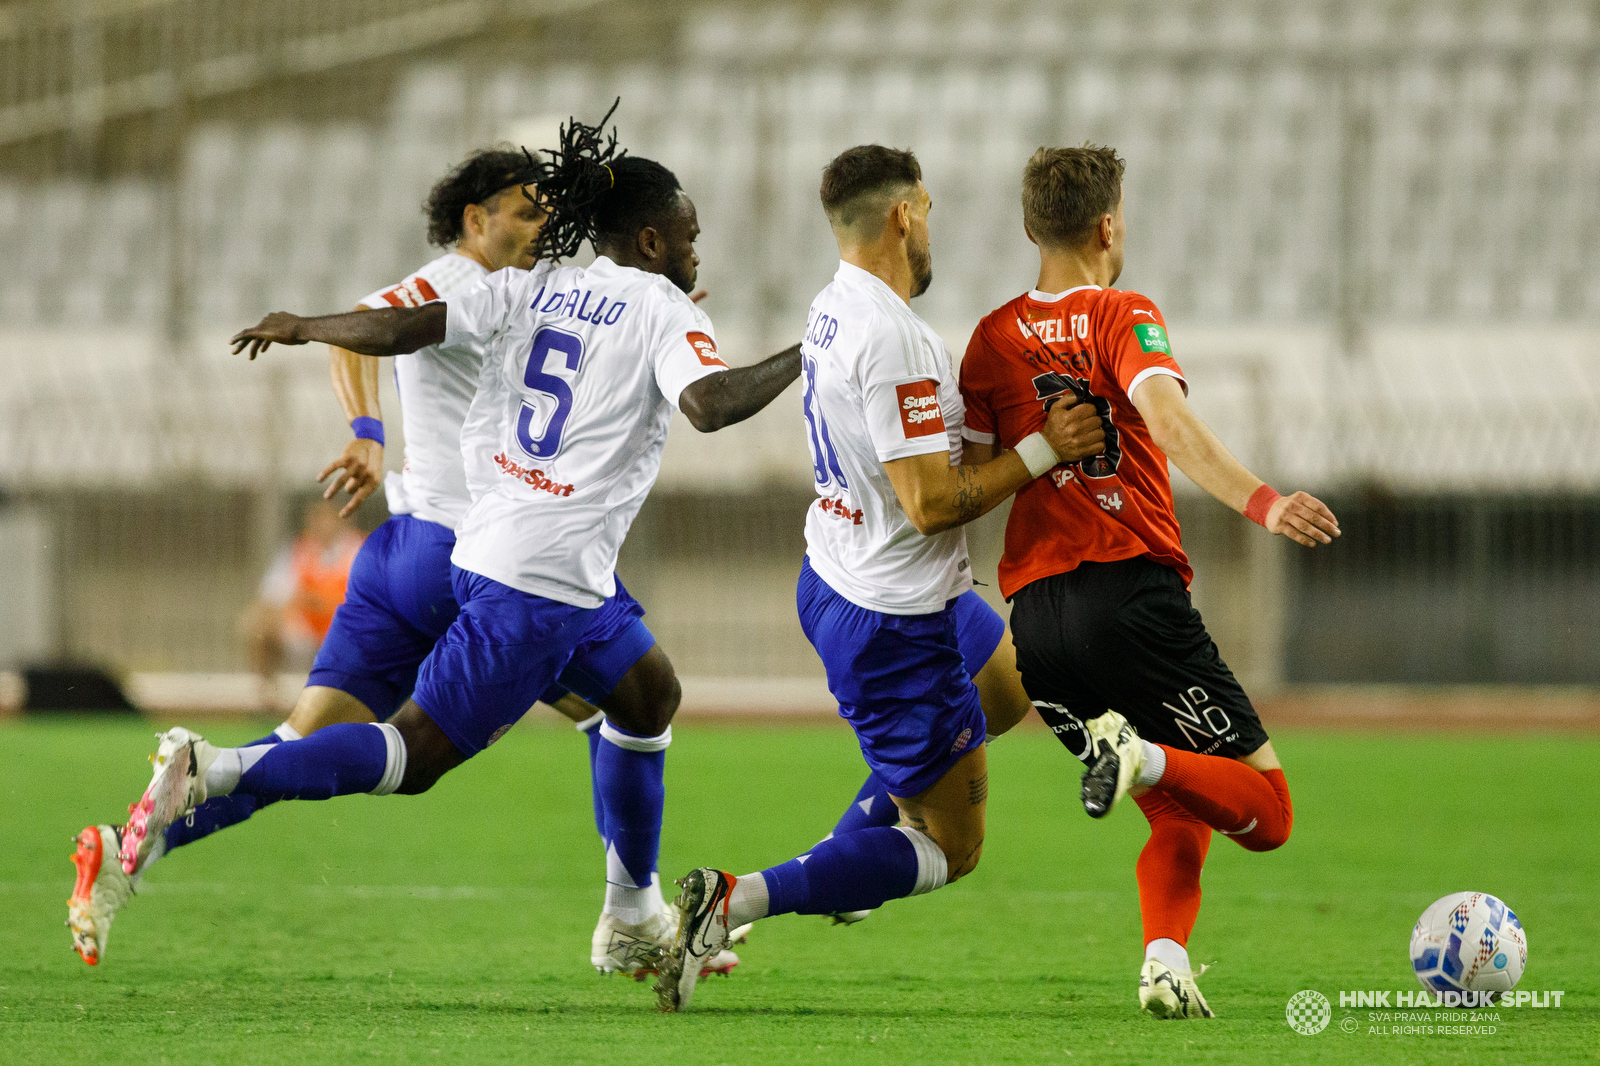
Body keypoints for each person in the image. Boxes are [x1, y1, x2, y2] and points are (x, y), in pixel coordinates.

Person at [71, 133, 766, 978]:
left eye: (548, 207)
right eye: (523, 207)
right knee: (433, 750)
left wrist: (308, 335)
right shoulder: (494, 278)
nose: (539, 219)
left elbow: (385, 327)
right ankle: (213, 768)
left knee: (641, 692)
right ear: (476, 219)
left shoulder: (530, 286)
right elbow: (707, 401)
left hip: (412, 548)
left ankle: (128, 848)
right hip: (498, 560)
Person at [653, 145, 1106, 1012]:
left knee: (1012, 686)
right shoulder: (897, 338)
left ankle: (845, 861)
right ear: (903, 215)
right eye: (928, 211)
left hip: (843, 571)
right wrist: (1050, 449)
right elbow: (932, 505)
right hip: (897, 620)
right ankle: (736, 897)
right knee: (952, 849)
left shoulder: (833, 305)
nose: (931, 228)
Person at [957, 144, 1341, 1019]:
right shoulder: (1122, 311)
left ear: (1028, 228)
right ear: (1108, 223)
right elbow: (1166, 419)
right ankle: (1141, 753)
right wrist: (1265, 504)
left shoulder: (989, 338)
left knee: (1177, 814)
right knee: (1269, 812)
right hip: (1130, 594)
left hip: (1039, 626)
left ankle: (1165, 962)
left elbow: (973, 484)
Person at [238, 497, 364, 711]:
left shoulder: (360, 549)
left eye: (328, 518)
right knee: (257, 624)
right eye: (317, 518)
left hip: (346, 630)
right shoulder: (299, 550)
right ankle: (268, 699)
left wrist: (327, 603)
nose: (322, 524)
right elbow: (272, 595)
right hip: (307, 629)